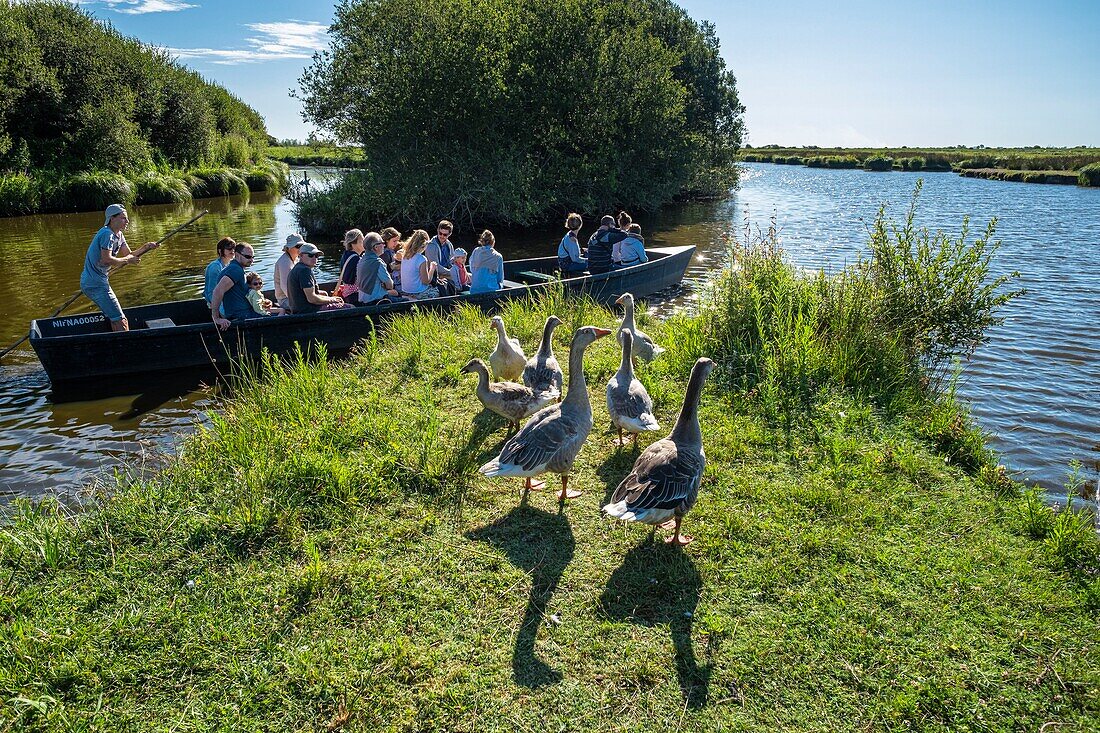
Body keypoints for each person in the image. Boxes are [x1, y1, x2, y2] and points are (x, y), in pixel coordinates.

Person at [80, 204, 159, 332]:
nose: (127, 221)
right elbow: (107, 259)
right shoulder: (107, 234)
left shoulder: (119, 235)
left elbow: (128, 255)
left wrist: (146, 247)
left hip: (96, 281)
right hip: (95, 283)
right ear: (112, 219)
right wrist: (128, 260)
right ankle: (126, 345)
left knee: (115, 316)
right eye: (123, 218)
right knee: (120, 319)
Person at [211, 242, 269, 329]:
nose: (251, 260)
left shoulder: (235, 267)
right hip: (241, 316)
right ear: (237, 255)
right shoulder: (235, 270)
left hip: (245, 313)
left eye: (253, 257)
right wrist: (216, 318)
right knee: (282, 316)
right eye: (248, 257)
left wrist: (262, 302)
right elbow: (218, 290)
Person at [287, 243, 353, 314]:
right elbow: (312, 299)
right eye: (311, 255)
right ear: (301, 256)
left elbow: (311, 294)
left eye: (316, 256)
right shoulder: (304, 270)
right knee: (351, 307)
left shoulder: (297, 268)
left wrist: (330, 298)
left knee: (325, 294)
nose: (314, 258)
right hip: (308, 311)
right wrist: (332, 299)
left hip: (299, 310)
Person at [357, 232, 404, 304]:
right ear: (376, 247)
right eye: (382, 243)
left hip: (363, 299)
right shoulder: (378, 263)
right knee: (407, 300)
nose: (384, 245)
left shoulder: (361, 260)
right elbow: (390, 285)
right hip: (376, 300)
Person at [399, 229, 440, 300]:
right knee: (438, 290)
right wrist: (432, 268)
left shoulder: (404, 255)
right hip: (418, 292)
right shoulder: (422, 259)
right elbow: (426, 281)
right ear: (424, 244)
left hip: (405, 291)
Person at [424, 220, 457, 296]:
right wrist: (452, 273)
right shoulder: (431, 246)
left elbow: (451, 261)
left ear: (449, 234)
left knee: (470, 276)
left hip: (447, 271)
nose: (442, 236)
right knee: (458, 277)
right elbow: (436, 267)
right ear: (437, 231)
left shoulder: (449, 245)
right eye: (440, 233)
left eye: (445, 235)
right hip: (437, 275)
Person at [274, 234, 304, 310]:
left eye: (302, 246)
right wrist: (301, 301)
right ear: (288, 248)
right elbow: (285, 287)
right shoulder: (284, 262)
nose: (300, 249)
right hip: (285, 300)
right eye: (298, 246)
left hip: (296, 295)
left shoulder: (296, 259)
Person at [203, 237, 235, 309]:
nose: (233, 250)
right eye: (229, 248)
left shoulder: (231, 265)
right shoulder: (215, 267)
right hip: (215, 302)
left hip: (227, 298)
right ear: (220, 251)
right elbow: (211, 293)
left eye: (234, 248)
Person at [335, 229, 365, 303]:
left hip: (347, 294)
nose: (364, 243)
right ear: (353, 243)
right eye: (362, 241)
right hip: (355, 295)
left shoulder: (346, 255)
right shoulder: (356, 259)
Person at [469, 230, 504, 294]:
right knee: (500, 285)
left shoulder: (475, 251)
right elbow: (500, 278)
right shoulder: (498, 256)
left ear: (482, 241)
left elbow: (471, 269)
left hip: (474, 290)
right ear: (493, 242)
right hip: (491, 290)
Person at [379, 226, 402, 290]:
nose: (396, 243)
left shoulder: (391, 250)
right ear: (387, 240)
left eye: (397, 240)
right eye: (394, 241)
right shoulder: (385, 254)